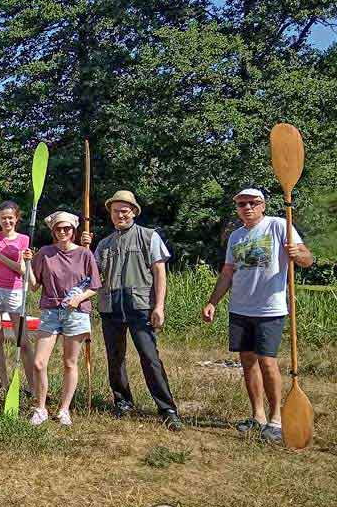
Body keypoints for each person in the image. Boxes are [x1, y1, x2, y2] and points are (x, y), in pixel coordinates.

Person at [202, 188, 314, 443]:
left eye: (253, 203)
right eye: (242, 204)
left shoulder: (278, 225)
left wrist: (298, 254)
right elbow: (228, 272)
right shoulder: (236, 236)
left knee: (267, 362)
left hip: (270, 308)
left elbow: (307, 258)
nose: (247, 208)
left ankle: (276, 420)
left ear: (263, 205)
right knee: (248, 362)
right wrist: (212, 302)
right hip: (240, 308)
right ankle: (258, 416)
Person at [82, 191, 182, 431]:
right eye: (115, 211)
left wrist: (159, 306)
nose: (120, 215)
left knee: (150, 357)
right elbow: (92, 274)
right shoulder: (104, 244)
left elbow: (160, 272)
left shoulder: (149, 236)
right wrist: (86, 249)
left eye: (124, 211)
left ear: (134, 212)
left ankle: (167, 409)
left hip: (140, 306)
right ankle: (123, 401)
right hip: (111, 307)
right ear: (110, 214)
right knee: (115, 358)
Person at [28, 211, 101, 426]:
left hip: (76, 313)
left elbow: (95, 286)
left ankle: (64, 410)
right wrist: (26, 265)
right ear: (53, 231)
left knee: (70, 363)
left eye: (67, 228)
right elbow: (34, 286)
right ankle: (40, 408)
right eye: (58, 228)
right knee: (39, 363)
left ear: (73, 230)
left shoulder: (85, 254)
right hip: (50, 311)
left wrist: (78, 298)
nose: (62, 232)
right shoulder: (45, 253)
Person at [0, 201, 34, 390]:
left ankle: (33, 386)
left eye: (10, 218)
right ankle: (4, 384)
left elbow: (21, 269)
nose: (7, 221)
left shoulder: (23, 239)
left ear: (16, 218)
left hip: (15, 291)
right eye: (3, 218)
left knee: (23, 341)